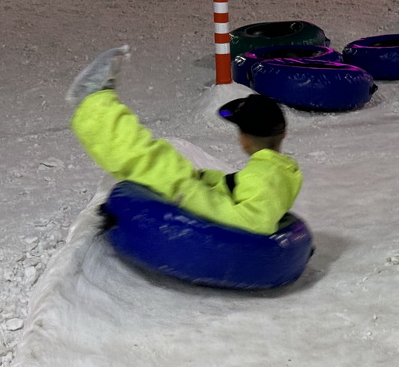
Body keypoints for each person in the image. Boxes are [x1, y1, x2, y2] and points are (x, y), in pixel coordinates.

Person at [66, 45, 302, 236]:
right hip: (207, 197)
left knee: (151, 164)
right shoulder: (278, 172)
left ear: (244, 140)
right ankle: (100, 104)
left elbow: (253, 222)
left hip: (202, 211)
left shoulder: (266, 177)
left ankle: (94, 104)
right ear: (283, 134)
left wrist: (188, 191)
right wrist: (207, 180)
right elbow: (242, 192)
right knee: (169, 161)